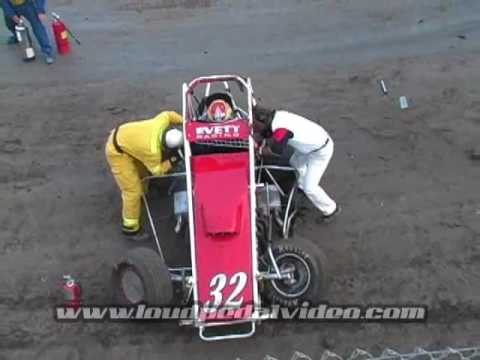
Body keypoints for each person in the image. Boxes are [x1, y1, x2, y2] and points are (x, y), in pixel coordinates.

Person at [253, 105, 340, 221]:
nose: (254, 127)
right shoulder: (278, 115)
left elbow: (275, 151)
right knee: (295, 162)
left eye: (254, 124)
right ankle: (302, 183)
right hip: (311, 144)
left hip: (319, 152)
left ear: (262, 120)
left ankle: (330, 209)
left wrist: (258, 149)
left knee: (311, 187)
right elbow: (268, 135)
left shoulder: (281, 129)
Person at [105, 111, 184, 236]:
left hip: (128, 139)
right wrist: (173, 160)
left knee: (142, 174)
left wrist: (185, 121)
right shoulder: (153, 152)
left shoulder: (160, 124)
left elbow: (169, 115)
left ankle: (144, 194)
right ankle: (130, 227)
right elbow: (157, 171)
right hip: (117, 152)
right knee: (132, 191)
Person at [1, 0, 54, 64]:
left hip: (27, 4)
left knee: (37, 27)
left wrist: (40, 10)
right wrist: (12, 15)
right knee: (10, 24)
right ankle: (17, 37)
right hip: (11, 5)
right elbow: (3, 2)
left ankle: (47, 51)